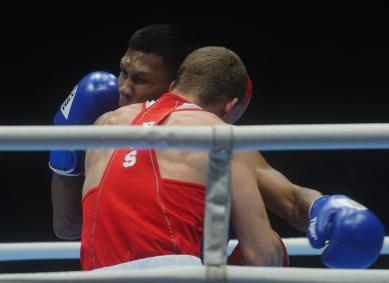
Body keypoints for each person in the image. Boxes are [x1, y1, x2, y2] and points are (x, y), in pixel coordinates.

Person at [49, 24, 384, 269]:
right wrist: (65, 162)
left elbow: (292, 199)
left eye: (139, 79)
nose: (122, 89)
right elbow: (68, 227)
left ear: (174, 83)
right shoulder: (210, 134)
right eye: (122, 73)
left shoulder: (107, 126)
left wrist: (325, 207)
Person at [83, 46, 285, 270]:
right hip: (173, 273)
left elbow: (70, 226)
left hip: (93, 274)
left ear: (172, 87)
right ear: (230, 107)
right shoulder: (219, 134)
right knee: (273, 250)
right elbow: (260, 257)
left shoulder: (105, 123)